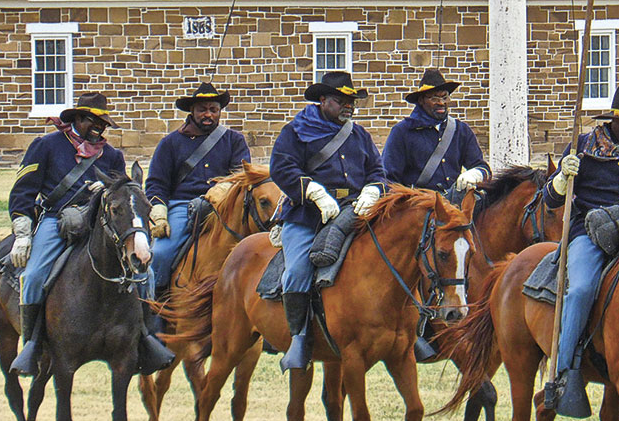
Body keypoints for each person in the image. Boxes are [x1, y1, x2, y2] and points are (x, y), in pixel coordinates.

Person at [8, 93, 170, 375]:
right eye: (92, 121)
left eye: (102, 122)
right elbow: (23, 191)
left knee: (146, 272)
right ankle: (33, 344)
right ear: (77, 119)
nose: (98, 127)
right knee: (32, 276)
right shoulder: (45, 146)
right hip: (57, 220)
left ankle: (145, 338)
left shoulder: (113, 156)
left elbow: (120, 193)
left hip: (100, 224)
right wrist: (22, 232)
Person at [543, 83, 619, 414]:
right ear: (613, 119)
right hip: (589, 233)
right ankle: (564, 372)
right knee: (581, 290)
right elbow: (550, 200)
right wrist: (561, 178)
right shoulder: (582, 148)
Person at [269, 71, 387, 371]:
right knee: (297, 270)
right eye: (341, 101)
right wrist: (313, 192)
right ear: (323, 100)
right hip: (308, 214)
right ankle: (298, 338)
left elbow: (377, 170)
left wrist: (373, 190)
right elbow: (281, 168)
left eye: (351, 101)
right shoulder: (295, 132)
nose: (348, 107)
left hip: (354, 212)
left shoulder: (359, 135)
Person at [145, 82, 251, 293]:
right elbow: (157, 183)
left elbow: (241, 177)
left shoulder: (234, 140)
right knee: (161, 254)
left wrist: (219, 193)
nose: (208, 114)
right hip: (182, 207)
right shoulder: (170, 143)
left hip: (224, 206)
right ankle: (153, 303)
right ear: (192, 111)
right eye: (202, 109)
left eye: (213, 109)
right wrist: (159, 214)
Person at [382, 68, 490, 194]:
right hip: (418, 205)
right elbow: (389, 179)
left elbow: (483, 168)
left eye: (445, 97)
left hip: (454, 205)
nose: (441, 103)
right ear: (421, 100)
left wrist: (475, 174)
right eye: (434, 98)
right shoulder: (402, 132)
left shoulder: (461, 130)